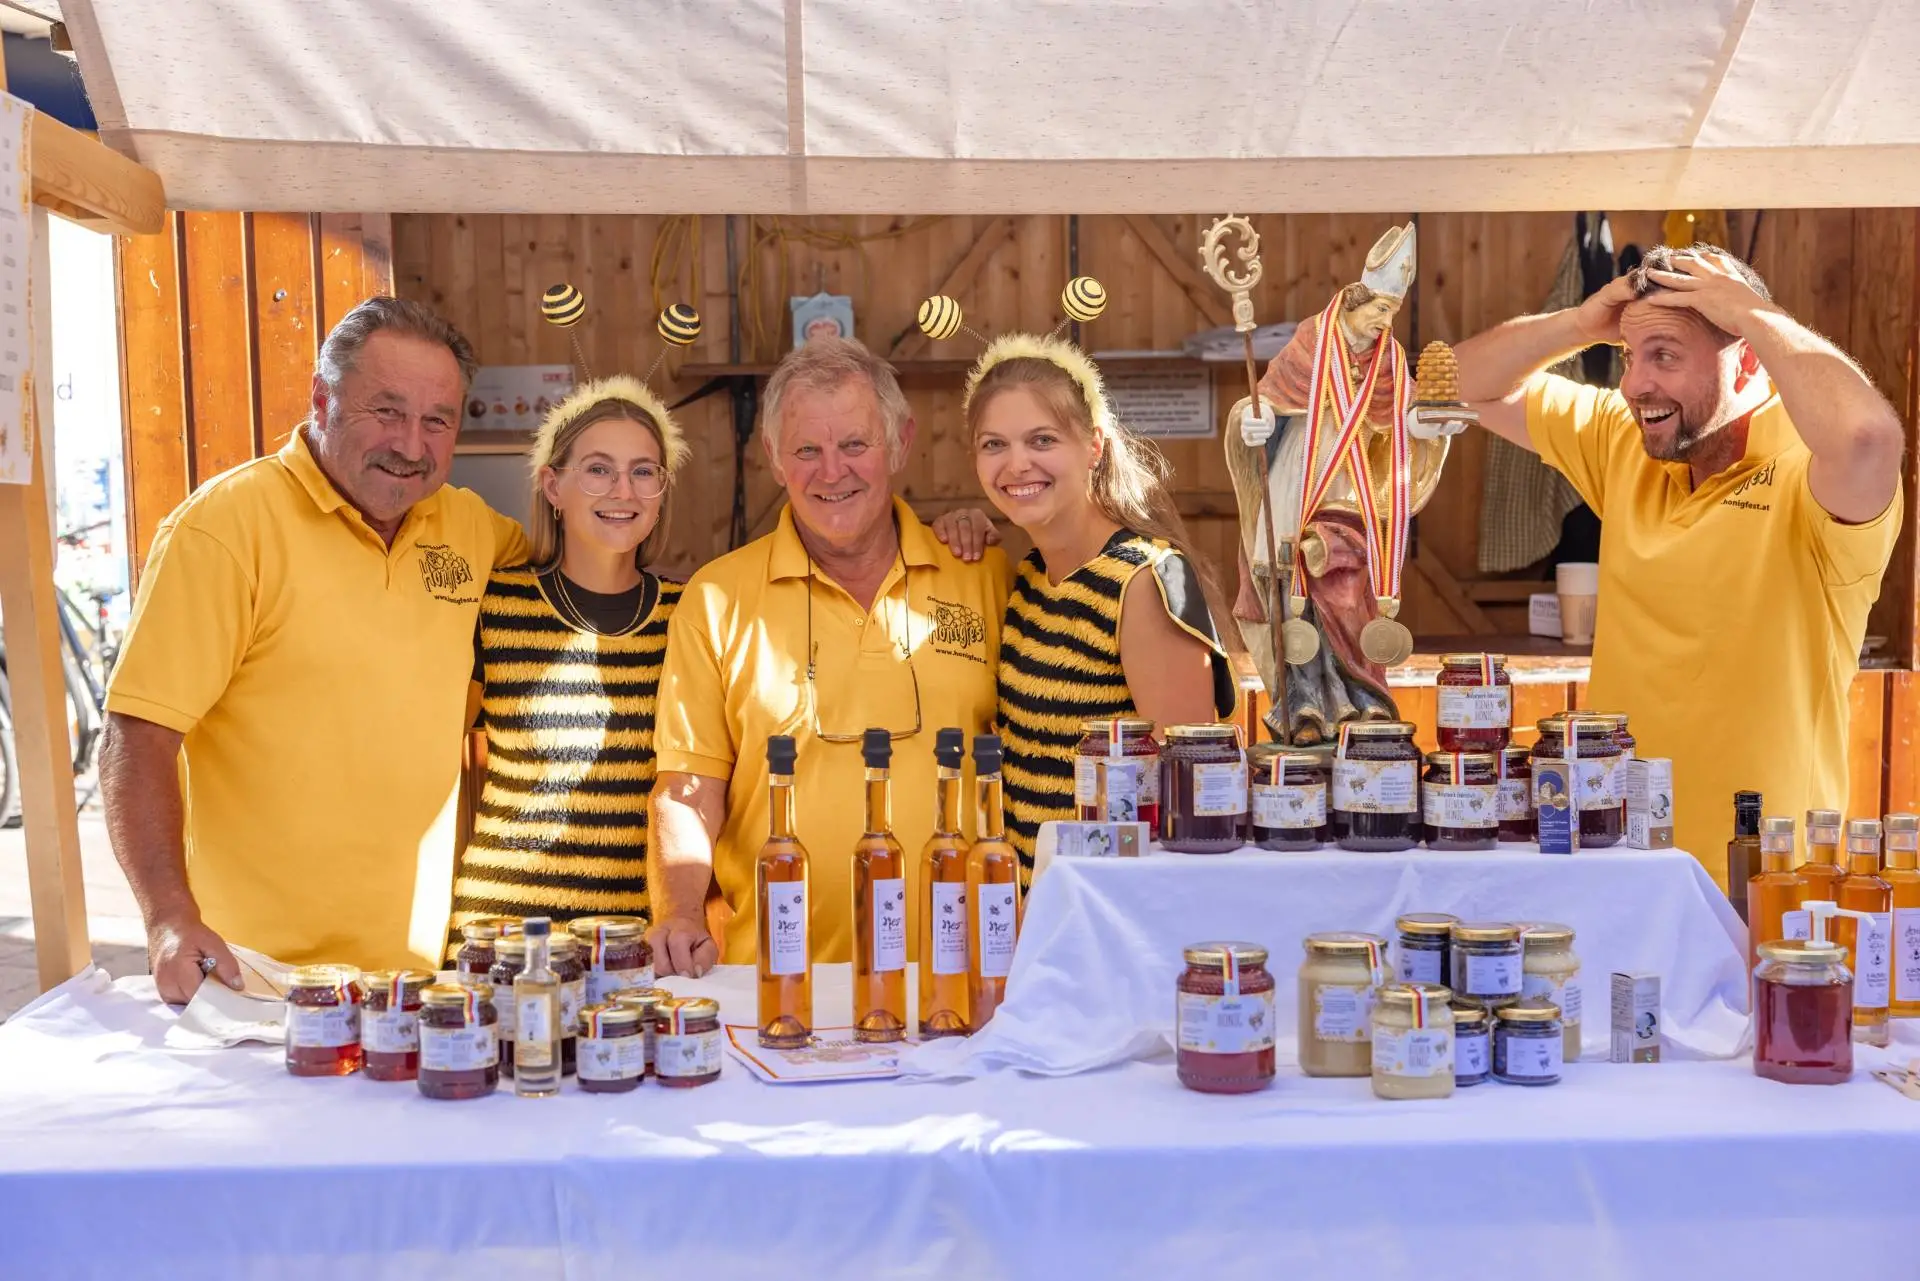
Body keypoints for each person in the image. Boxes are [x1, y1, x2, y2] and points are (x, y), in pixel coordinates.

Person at [101, 298, 528, 1000]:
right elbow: (137, 737)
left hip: (414, 981)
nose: (411, 446)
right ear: (322, 399)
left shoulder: (472, 529)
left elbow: (575, 576)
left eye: (436, 421)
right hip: (257, 977)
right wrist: (169, 918)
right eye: (386, 412)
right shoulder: (225, 529)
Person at [1451, 244, 1904, 883]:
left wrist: (1751, 312)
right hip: (1619, 869)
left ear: (1747, 360)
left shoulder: (1811, 471)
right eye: (1631, 358)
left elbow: (1870, 437)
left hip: (1765, 885)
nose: (1636, 384)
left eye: (1664, 356)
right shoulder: (1623, 441)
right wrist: (1580, 326)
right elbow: (1452, 385)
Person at [648, 337, 1010, 975]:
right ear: (773, 458)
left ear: (900, 441)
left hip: (968, 983)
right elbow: (688, 789)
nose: (832, 471)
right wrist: (677, 911)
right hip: (778, 988)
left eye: (855, 445)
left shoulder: (985, 574)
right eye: (807, 450)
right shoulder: (717, 597)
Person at [967, 334, 1235, 880]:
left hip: (1114, 916)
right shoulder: (1031, 579)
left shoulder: (1148, 578)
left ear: (1094, 445)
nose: (1017, 464)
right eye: (993, 445)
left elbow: (1191, 794)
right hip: (1039, 911)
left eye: (1041, 439)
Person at [445, 376, 687, 947]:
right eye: (599, 469)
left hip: (636, 940)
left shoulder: (690, 615)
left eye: (644, 471)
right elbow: (426, 755)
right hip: (501, 937)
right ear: (553, 485)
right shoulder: (495, 606)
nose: (623, 490)